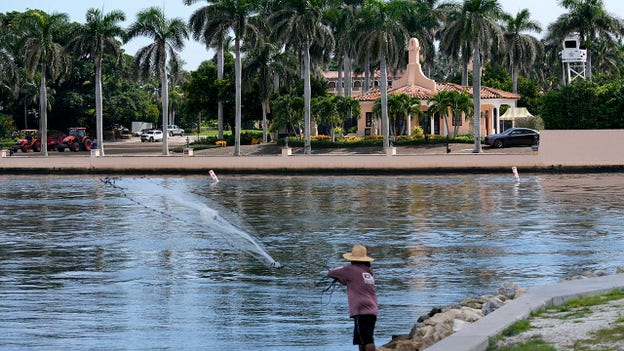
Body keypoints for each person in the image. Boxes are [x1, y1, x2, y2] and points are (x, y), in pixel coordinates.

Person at [328, 244, 378, 351]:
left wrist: (336, 274)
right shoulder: (368, 271)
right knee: (363, 339)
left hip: (361, 310)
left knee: (367, 340)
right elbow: (352, 282)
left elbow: (331, 272)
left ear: (353, 259)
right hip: (372, 310)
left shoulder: (350, 269)